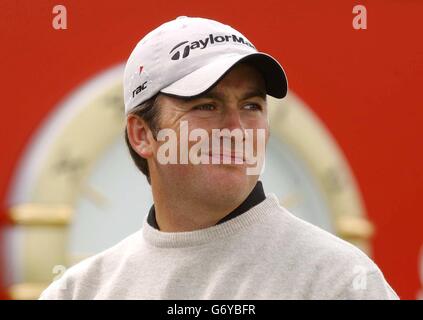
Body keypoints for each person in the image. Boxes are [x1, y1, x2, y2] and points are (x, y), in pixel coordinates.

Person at [39, 16, 398, 300]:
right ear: (142, 134)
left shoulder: (338, 281)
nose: (236, 128)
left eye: (251, 106)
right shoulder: (79, 292)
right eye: (206, 105)